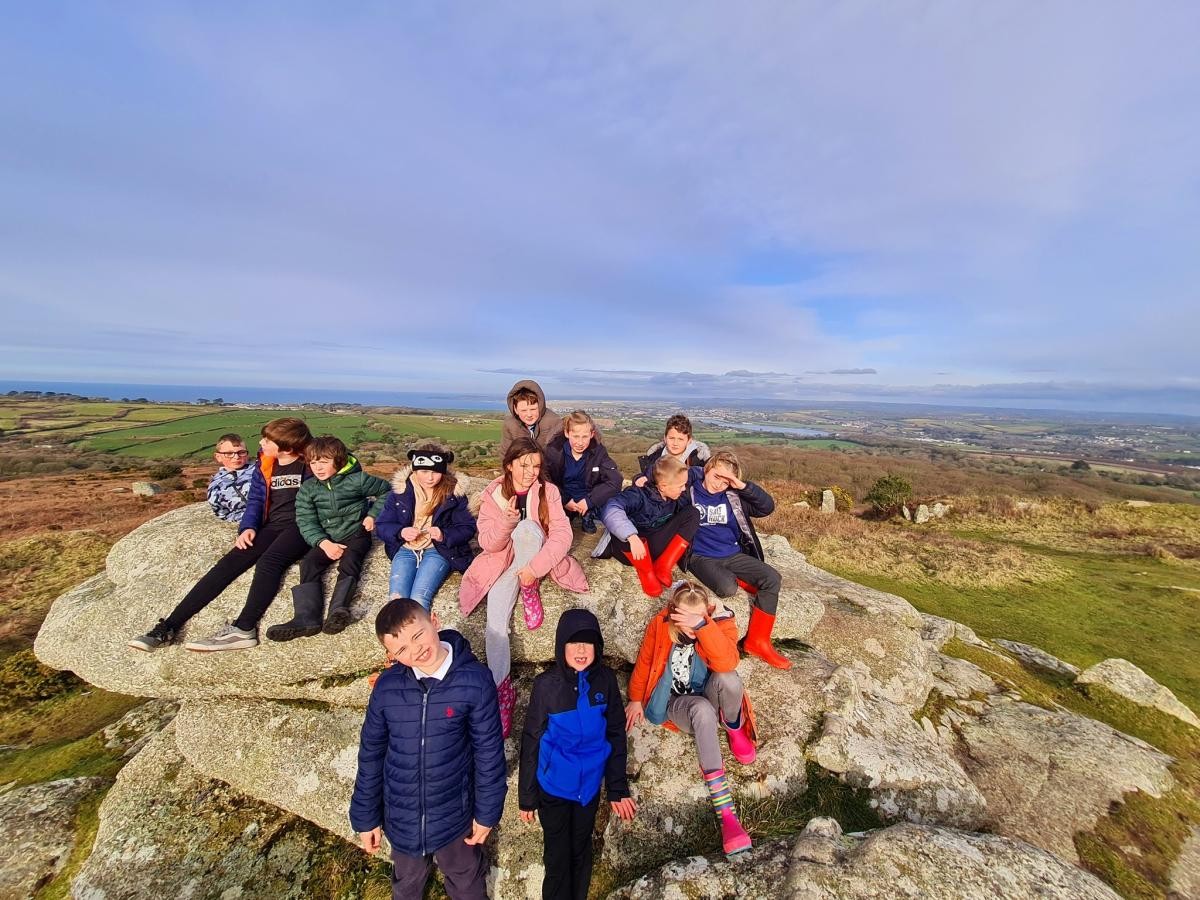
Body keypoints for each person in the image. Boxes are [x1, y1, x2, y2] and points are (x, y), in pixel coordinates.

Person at [350, 598, 506, 900]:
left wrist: (487, 813)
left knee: (466, 880)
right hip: (402, 816)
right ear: (392, 656)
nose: (416, 649)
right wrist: (366, 817)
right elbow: (371, 753)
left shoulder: (475, 681)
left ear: (434, 621)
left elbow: (488, 753)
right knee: (407, 883)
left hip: (454, 815)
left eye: (417, 635)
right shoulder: (387, 687)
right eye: (402, 650)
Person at [128, 417, 313, 653]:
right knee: (226, 565)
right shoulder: (267, 462)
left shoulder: (312, 462)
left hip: (303, 525)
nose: (261, 443)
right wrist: (248, 527)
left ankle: (244, 629)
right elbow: (256, 499)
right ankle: (168, 627)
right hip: (273, 525)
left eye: (267, 440)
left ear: (287, 447)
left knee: (270, 562)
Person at [459, 436, 588, 738]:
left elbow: (561, 535)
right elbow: (488, 544)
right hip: (505, 565)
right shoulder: (493, 494)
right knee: (495, 624)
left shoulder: (549, 492)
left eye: (536, 465)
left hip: (535, 560)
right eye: (524, 465)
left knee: (530, 528)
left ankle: (529, 587)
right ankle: (502, 690)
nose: (531, 472)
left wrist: (534, 570)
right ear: (509, 465)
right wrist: (505, 522)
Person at [625, 581, 757, 858]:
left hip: (708, 691)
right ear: (673, 611)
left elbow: (726, 662)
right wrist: (636, 698)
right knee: (702, 711)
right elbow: (646, 660)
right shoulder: (661, 624)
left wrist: (703, 626)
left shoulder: (718, 623)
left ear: (706, 612)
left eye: (695, 617)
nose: (687, 624)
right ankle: (727, 816)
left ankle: (734, 728)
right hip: (677, 703)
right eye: (683, 616)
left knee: (730, 680)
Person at [519, 608, 636, 900]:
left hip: (589, 788)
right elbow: (531, 739)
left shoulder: (605, 681)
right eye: (574, 642)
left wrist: (617, 787)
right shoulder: (547, 686)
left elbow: (615, 733)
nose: (582, 650)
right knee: (557, 858)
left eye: (588, 642)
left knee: (581, 851)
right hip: (555, 788)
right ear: (561, 646)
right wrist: (527, 796)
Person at [267, 436, 391, 641]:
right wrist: (323, 543)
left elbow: (386, 491)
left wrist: (372, 515)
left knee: (351, 561)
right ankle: (306, 618)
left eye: (324, 462)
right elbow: (305, 519)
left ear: (339, 461)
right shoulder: (309, 488)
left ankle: (338, 611)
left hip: (356, 532)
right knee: (309, 563)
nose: (318, 467)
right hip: (327, 537)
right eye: (313, 462)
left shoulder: (358, 480)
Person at [685, 450, 790, 669]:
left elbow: (767, 507)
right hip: (700, 556)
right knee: (727, 588)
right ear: (706, 470)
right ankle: (741, 581)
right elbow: (664, 475)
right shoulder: (689, 491)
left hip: (732, 554)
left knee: (772, 578)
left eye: (726, 481)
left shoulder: (733, 496)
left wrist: (740, 485)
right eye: (716, 477)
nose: (719, 484)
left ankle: (757, 641)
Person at [375, 445, 476, 611]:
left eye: (435, 472)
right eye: (424, 472)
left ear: (443, 471)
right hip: (406, 549)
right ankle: (399, 636)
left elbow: (467, 527)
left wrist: (444, 534)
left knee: (419, 597)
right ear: (414, 470)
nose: (430, 477)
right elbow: (382, 525)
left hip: (438, 550)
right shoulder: (399, 492)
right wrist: (400, 532)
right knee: (396, 597)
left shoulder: (454, 494)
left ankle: (420, 635)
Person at [595, 456, 699, 598]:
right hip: (634, 553)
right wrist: (631, 536)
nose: (684, 488)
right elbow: (611, 508)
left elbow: (697, 472)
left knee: (693, 513)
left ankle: (664, 566)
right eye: (680, 486)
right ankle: (647, 573)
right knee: (621, 529)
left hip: (656, 545)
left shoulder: (674, 487)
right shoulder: (638, 494)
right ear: (663, 486)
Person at [541, 410, 621, 534]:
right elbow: (545, 478)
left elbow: (615, 480)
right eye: (576, 436)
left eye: (584, 437)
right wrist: (565, 500)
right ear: (567, 433)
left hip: (588, 498)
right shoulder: (553, 451)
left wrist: (589, 502)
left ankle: (588, 513)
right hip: (562, 497)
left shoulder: (598, 452)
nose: (580, 442)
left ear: (592, 434)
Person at [633, 414, 711, 488]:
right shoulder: (654, 458)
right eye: (671, 438)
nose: (675, 443)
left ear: (689, 441)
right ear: (665, 438)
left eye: (680, 439)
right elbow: (644, 478)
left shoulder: (698, 463)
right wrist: (638, 479)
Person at [500, 379, 563, 456]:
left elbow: (558, 456)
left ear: (540, 406)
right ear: (515, 410)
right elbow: (506, 455)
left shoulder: (554, 422)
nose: (529, 414)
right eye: (523, 410)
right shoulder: (510, 425)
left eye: (533, 409)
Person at [206, 433, 254, 523]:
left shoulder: (261, 471)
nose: (236, 457)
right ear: (218, 457)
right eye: (229, 453)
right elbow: (221, 512)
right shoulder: (216, 485)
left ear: (247, 454)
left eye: (241, 452)